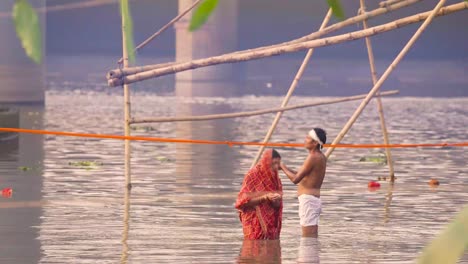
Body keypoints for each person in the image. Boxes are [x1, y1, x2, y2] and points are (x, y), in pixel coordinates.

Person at [280, 128, 327, 238]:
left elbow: (295, 179)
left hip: (308, 200)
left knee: (308, 238)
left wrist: (282, 166)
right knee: (311, 237)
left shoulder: (313, 157)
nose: (305, 140)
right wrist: (284, 168)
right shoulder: (320, 156)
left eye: (308, 138)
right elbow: (302, 175)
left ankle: (307, 255)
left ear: (315, 143)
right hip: (312, 200)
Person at [235, 149, 283, 240]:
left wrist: (276, 200)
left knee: (269, 251)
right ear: (266, 161)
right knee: (252, 250)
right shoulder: (252, 175)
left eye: (278, 164)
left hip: (270, 224)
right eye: (273, 163)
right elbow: (242, 202)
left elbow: (278, 206)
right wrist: (264, 197)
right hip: (252, 222)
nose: (276, 167)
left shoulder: (276, 179)